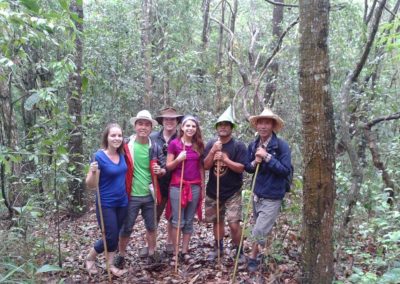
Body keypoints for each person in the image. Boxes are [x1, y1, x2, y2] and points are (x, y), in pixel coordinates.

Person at [115, 110, 166, 268]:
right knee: (127, 227)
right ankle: (121, 255)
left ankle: (152, 254)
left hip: (150, 194)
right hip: (131, 194)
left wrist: (161, 171)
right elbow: (109, 155)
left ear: (151, 128)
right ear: (135, 126)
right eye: (140, 124)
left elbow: (164, 168)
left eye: (146, 124)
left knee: (151, 226)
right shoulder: (125, 145)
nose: (143, 127)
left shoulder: (155, 147)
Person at [244, 108, 291, 272]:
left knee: (258, 230)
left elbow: (285, 170)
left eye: (267, 123)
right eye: (261, 122)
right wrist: (254, 162)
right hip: (257, 194)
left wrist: (267, 157)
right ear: (256, 125)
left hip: (273, 195)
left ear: (272, 125)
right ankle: (268, 253)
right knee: (262, 227)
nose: (263, 126)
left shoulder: (282, 147)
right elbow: (248, 168)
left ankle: (252, 257)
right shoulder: (253, 145)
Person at [203, 106, 247, 263]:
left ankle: (239, 250)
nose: (223, 127)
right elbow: (206, 166)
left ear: (231, 128)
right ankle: (218, 247)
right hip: (213, 192)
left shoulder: (238, 146)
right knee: (217, 221)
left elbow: (242, 167)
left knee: (234, 224)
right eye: (220, 124)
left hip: (232, 192)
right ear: (217, 127)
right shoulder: (211, 144)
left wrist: (226, 160)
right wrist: (212, 152)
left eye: (226, 124)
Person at [85, 123, 128, 277]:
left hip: (122, 202)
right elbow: (91, 184)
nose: (116, 138)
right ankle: (90, 258)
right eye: (113, 135)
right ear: (107, 137)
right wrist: (92, 171)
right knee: (110, 235)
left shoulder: (122, 154)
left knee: (115, 235)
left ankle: (109, 265)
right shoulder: (99, 156)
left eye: (119, 135)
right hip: (106, 203)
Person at [166, 115, 205, 265]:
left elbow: (201, 167)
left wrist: (203, 185)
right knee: (178, 220)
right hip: (178, 186)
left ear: (196, 129)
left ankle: (185, 252)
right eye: (187, 126)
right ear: (182, 127)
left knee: (189, 220)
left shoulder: (199, 145)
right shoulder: (174, 144)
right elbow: (168, 166)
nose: (190, 128)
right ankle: (175, 253)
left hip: (195, 186)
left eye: (193, 126)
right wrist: (178, 159)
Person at [150, 107, 183, 254]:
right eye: (166, 119)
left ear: (177, 121)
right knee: (153, 215)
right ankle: (151, 246)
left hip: (176, 181)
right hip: (157, 183)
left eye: (173, 119)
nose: (169, 122)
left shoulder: (181, 138)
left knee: (173, 214)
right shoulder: (152, 138)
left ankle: (170, 243)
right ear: (162, 121)